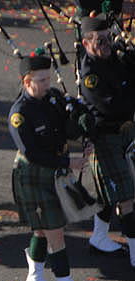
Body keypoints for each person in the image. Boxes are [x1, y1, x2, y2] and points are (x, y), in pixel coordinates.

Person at [9, 52, 92, 281]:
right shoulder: (19, 114)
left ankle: (34, 278)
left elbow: (64, 128)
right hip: (33, 175)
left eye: (48, 78)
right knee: (56, 233)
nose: (48, 84)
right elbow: (32, 153)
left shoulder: (53, 97)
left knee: (42, 229)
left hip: (54, 169)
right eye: (41, 80)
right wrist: (70, 164)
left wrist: (81, 131)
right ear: (26, 82)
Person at [80, 14, 135, 267]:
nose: (106, 45)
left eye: (107, 39)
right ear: (85, 44)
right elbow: (111, 107)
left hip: (125, 131)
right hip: (105, 137)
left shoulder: (115, 56)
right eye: (99, 41)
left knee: (106, 194)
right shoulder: (90, 74)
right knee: (127, 197)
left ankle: (100, 237)